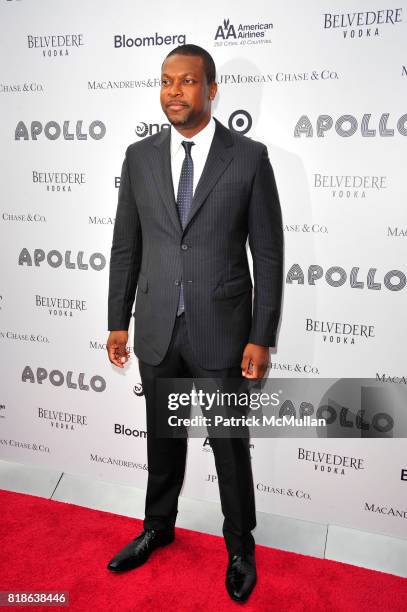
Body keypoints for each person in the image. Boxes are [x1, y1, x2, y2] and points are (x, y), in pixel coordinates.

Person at [106, 43, 283, 603]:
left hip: (223, 332)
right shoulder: (139, 156)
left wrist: (260, 334)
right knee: (163, 437)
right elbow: (126, 247)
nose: (174, 91)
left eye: (186, 81)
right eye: (165, 81)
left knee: (229, 443)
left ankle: (239, 546)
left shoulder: (248, 157)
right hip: (159, 326)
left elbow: (269, 255)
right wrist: (118, 321)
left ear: (211, 90)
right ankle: (158, 527)